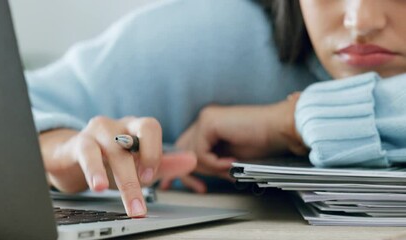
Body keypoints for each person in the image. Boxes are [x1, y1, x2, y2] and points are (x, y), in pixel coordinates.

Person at [25, 0, 406, 217]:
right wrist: (57, 148)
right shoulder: (215, 37)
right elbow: (12, 102)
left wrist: (288, 122)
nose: (362, 21)